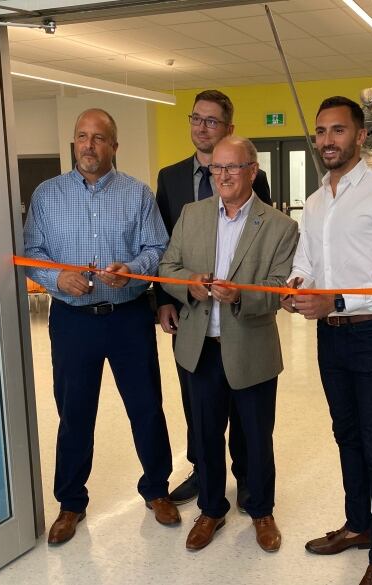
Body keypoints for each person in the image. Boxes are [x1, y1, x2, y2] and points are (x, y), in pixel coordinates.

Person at [23, 108, 179, 545]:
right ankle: (71, 502)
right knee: (74, 414)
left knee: (146, 407)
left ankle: (157, 490)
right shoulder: (47, 195)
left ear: (114, 146)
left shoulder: (137, 194)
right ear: (74, 143)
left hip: (127, 318)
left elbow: (158, 248)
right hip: (72, 321)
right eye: (81, 137)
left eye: (98, 138)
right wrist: (55, 278)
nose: (88, 145)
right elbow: (32, 250)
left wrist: (132, 269)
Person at [283, 96, 372, 585]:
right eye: (321, 131)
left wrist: (337, 301)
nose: (327, 141)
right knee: (346, 437)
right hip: (331, 339)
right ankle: (358, 525)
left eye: (337, 131)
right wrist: (296, 287)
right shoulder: (316, 201)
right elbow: (306, 263)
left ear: (360, 136)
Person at [159, 136, 298, 552]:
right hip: (200, 347)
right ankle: (212, 509)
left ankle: (262, 510)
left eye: (232, 168)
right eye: (216, 168)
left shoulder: (279, 226)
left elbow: (280, 290)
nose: (222, 176)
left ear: (252, 171)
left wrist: (240, 295)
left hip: (251, 349)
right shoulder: (192, 214)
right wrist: (190, 286)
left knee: (256, 436)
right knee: (204, 434)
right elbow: (168, 267)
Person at [155, 89, 271, 507]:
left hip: (240, 323)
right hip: (189, 314)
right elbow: (162, 249)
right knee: (198, 407)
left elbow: (263, 249)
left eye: (212, 121)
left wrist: (244, 293)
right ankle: (205, 477)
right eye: (196, 119)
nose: (201, 127)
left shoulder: (257, 189)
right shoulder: (170, 179)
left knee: (246, 412)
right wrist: (167, 298)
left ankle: (247, 481)